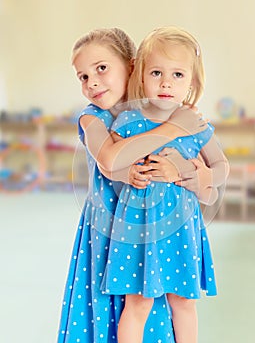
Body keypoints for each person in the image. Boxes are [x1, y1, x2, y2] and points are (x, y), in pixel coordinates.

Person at [57, 27, 211, 343]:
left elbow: (200, 166)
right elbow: (111, 161)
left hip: (153, 230)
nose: (93, 82)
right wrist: (172, 128)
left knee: (151, 303)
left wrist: (189, 173)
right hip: (109, 229)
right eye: (83, 77)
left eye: (101, 68)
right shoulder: (92, 118)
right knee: (116, 305)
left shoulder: (161, 111)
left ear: (132, 65)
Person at [101, 26, 229, 343]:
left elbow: (222, 166)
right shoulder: (128, 122)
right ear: (142, 76)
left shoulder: (196, 125)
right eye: (156, 72)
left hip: (180, 226)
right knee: (138, 302)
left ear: (192, 83)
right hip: (137, 226)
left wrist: (202, 178)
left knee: (183, 302)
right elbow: (113, 163)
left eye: (177, 75)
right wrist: (129, 171)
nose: (166, 83)